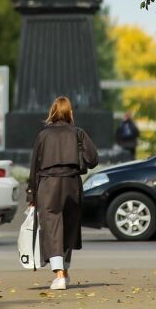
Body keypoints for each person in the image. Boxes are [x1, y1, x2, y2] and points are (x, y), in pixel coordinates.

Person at [26, 96, 98, 290]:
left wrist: (31, 194)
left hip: (48, 185)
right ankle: (64, 272)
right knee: (69, 226)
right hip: (72, 183)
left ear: (52, 112)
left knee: (52, 227)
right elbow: (93, 160)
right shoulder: (78, 133)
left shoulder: (43, 135)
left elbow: (34, 166)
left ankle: (59, 276)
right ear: (70, 113)